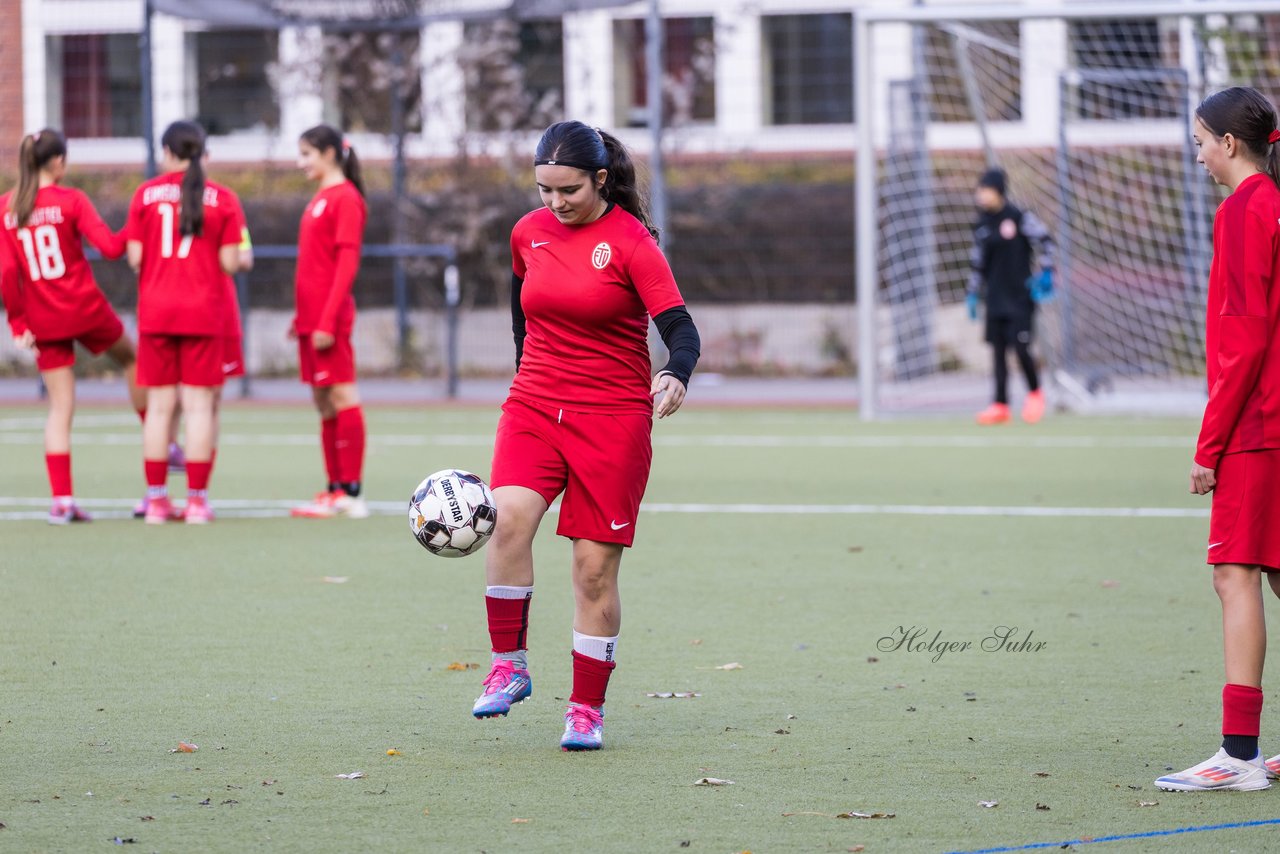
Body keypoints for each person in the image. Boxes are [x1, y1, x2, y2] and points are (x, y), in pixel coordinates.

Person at [472, 120, 701, 751]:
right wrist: (528, 375)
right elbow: (522, 310)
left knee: (593, 571)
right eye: (545, 190)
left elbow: (682, 329)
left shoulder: (632, 243)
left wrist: (674, 374)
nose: (555, 203)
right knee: (508, 517)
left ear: (600, 180)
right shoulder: (528, 232)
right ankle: (508, 665)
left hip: (613, 419)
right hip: (536, 406)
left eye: (568, 190)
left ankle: (585, 709)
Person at [1156, 87, 1280, 793]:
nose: (1198, 154)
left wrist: (1210, 444)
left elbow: (1244, 336)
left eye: (1200, 141)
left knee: (1233, 576)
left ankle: (1238, 756)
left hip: (1259, 427)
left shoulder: (1244, 209)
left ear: (1230, 144)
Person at [0, 128, 145, 524]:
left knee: (60, 409)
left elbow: (7, 271)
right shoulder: (72, 200)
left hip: (43, 318)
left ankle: (62, 501)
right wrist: (139, 220)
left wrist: (17, 322)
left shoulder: (6, 207)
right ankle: (159, 439)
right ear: (58, 162)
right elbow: (112, 248)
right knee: (133, 360)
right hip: (85, 309)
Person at [125, 120, 244, 525]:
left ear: (166, 152)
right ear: (202, 153)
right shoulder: (223, 198)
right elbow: (231, 262)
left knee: (159, 409)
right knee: (198, 409)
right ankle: (196, 502)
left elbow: (135, 257)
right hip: (203, 313)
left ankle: (156, 501)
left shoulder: (144, 194)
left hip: (156, 313)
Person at [288, 125, 369, 520]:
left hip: (329, 319)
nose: (301, 162)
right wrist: (302, 318)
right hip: (311, 318)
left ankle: (352, 493)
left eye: (307, 154)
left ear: (330, 154)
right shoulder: (320, 197)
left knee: (342, 395)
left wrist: (327, 318)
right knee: (322, 401)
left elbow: (346, 264)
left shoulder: (346, 198)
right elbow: (314, 265)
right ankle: (334, 488)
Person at [966, 167, 1054, 426]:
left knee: (1021, 348)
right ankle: (1000, 404)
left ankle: (1035, 394)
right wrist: (972, 293)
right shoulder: (982, 224)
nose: (980, 195)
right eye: (979, 190)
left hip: (1020, 296)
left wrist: (1047, 272)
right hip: (994, 298)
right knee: (998, 352)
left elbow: (1046, 240)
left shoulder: (1019, 217)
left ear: (998, 191)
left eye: (985, 190)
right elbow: (978, 262)